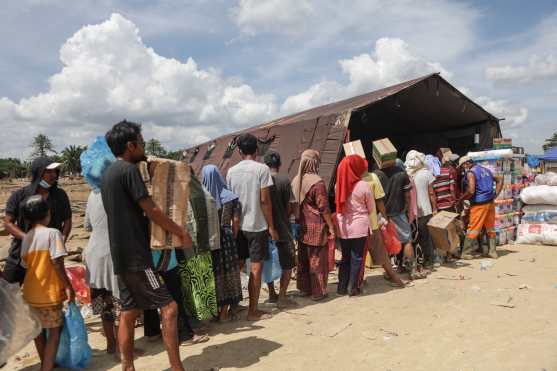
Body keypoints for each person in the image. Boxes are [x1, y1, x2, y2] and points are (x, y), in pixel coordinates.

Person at [102, 120, 192, 371]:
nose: (143, 147)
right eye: (141, 143)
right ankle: (177, 368)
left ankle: (127, 367)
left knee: (129, 311)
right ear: (130, 146)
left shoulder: (109, 174)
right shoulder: (129, 171)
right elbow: (151, 209)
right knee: (170, 307)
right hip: (138, 257)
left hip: (120, 255)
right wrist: (180, 232)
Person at [19, 195, 75, 371]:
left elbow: (26, 265)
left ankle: (46, 362)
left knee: (38, 332)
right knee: (55, 331)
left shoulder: (26, 237)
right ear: (48, 214)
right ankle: (47, 367)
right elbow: (57, 263)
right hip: (48, 293)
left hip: (29, 293)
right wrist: (68, 286)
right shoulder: (53, 233)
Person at [226, 133, 278, 321]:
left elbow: (230, 201)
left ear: (239, 151)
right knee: (256, 269)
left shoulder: (231, 172)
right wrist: (271, 226)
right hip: (257, 226)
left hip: (238, 226)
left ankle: (231, 305)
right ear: (256, 149)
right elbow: (265, 201)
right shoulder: (262, 169)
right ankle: (253, 311)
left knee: (237, 266)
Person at [3, 158, 72, 285]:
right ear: (38, 173)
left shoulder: (60, 195)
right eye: (48, 171)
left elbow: (67, 220)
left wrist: (61, 240)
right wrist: (28, 238)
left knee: (44, 294)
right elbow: (8, 222)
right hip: (19, 255)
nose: (54, 175)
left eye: (55, 171)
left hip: (48, 256)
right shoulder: (19, 195)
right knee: (7, 289)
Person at [83, 160, 122, 355]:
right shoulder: (117, 193)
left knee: (106, 304)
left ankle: (111, 345)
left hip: (93, 255)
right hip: (113, 254)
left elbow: (87, 226)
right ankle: (124, 347)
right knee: (121, 304)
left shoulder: (92, 194)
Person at [202, 164, 244, 321]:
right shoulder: (231, 197)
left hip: (208, 241)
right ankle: (228, 310)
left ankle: (215, 311)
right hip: (226, 239)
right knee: (229, 273)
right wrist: (232, 236)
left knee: (214, 274)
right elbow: (236, 220)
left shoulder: (202, 197)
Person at [292, 149, 335, 300]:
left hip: (301, 226)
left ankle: (305, 289)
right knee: (317, 259)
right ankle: (318, 292)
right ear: (314, 162)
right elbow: (323, 207)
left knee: (304, 258)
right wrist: (330, 226)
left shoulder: (296, 180)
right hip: (316, 226)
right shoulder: (317, 183)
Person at [375, 157, 426, 280]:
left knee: (387, 243)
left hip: (382, 214)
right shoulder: (402, 174)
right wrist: (409, 211)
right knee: (407, 240)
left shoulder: (377, 174)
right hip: (398, 212)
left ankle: (390, 272)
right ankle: (412, 270)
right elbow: (407, 195)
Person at [335, 155, 374, 296]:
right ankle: (353, 287)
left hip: (343, 227)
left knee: (345, 257)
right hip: (360, 227)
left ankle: (341, 287)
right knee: (357, 257)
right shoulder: (364, 185)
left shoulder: (338, 186)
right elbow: (370, 208)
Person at [262, 151, 298, 307]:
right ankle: (282, 296)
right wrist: (284, 216)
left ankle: (272, 293)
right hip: (284, 228)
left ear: (265, 165)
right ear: (280, 164)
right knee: (288, 263)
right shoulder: (285, 180)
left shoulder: (261, 181)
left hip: (265, 228)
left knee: (268, 261)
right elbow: (291, 205)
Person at [361, 167, 405, 287]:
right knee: (381, 252)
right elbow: (379, 201)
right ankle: (395, 278)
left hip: (355, 226)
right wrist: (385, 217)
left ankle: (358, 281)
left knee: (358, 253)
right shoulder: (372, 178)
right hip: (372, 222)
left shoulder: (347, 178)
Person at [458, 156, 503, 260]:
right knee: (490, 227)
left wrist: (461, 199)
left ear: (466, 164)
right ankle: (492, 252)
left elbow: (471, 191)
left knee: (473, 228)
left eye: (463, 166)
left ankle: (465, 252)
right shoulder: (486, 170)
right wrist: (495, 195)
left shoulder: (471, 173)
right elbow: (500, 179)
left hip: (479, 204)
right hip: (490, 202)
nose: (463, 168)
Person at [405, 150, 438, 268]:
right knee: (426, 236)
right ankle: (429, 260)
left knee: (415, 237)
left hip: (411, 212)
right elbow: (431, 193)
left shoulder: (408, 175)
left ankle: (417, 261)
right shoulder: (427, 173)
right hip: (426, 210)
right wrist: (435, 208)